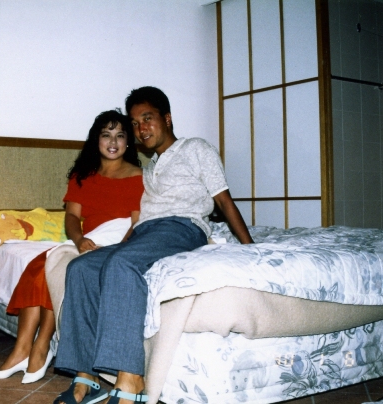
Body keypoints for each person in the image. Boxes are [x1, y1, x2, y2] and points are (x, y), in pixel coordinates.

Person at [53, 87, 254, 404]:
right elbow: (132, 216)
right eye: (135, 123)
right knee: (82, 267)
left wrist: (250, 248)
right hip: (145, 233)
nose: (140, 128)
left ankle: (131, 380)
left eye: (147, 118)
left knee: (122, 265)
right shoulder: (148, 169)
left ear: (167, 118)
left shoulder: (196, 148)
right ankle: (87, 376)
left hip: (181, 226)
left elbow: (224, 200)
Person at [0, 109, 144, 385]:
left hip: (118, 243)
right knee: (40, 265)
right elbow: (71, 217)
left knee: (56, 269)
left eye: (120, 135)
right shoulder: (83, 176)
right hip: (87, 240)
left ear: (128, 142)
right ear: (96, 140)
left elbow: (136, 223)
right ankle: (23, 349)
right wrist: (79, 240)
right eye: (106, 135)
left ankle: (40, 348)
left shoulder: (138, 176)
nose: (113, 142)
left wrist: (119, 249)